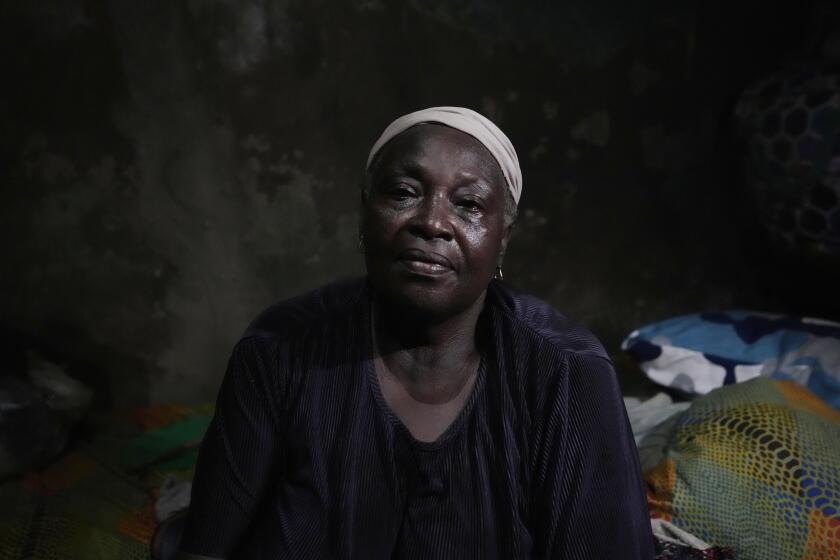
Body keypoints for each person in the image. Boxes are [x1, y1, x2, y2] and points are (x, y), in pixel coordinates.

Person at [177, 107, 654, 559]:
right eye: (404, 192)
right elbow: (206, 547)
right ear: (365, 212)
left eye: (468, 204)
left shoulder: (567, 373)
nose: (432, 222)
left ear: (502, 237)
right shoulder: (280, 349)